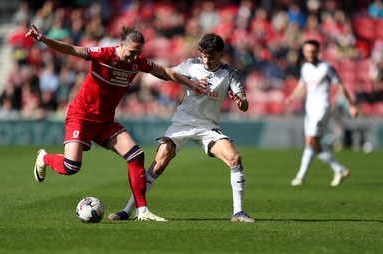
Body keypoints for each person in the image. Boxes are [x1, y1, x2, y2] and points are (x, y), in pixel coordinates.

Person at [25, 24, 207, 221]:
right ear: (121, 45)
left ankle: (143, 212)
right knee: (71, 167)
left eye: (138, 53)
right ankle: (43, 158)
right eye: (131, 52)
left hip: (105, 122)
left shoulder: (138, 62)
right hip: (81, 117)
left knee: (136, 156)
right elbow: (70, 49)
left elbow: (164, 72)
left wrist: (190, 83)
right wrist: (42, 39)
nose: (134, 57)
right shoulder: (103, 55)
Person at [108, 33, 255, 223]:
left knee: (235, 158)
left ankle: (238, 213)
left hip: (208, 127)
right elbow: (169, 74)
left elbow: (244, 105)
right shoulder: (191, 65)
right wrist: (189, 83)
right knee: (159, 163)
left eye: (211, 57)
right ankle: (128, 210)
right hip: (182, 122)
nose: (207, 61)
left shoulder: (229, 74)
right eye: (204, 56)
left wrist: (240, 100)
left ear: (221, 54)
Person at [285, 39, 358, 187]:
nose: (310, 54)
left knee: (310, 141)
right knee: (315, 145)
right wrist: (292, 97)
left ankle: (300, 177)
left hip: (322, 108)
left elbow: (340, 86)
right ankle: (340, 170)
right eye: (307, 51)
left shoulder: (326, 68)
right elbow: (301, 85)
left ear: (318, 52)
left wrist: (351, 105)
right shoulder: (305, 68)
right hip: (309, 109)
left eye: (313, 51)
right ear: (304, 52)